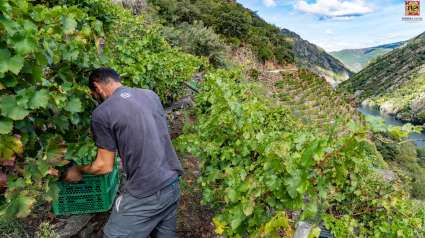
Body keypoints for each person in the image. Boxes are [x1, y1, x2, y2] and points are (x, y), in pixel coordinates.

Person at [63, 67, 184, 238]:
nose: (96, 100)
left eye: (93, 94)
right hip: (171, 184)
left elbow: (104, 167)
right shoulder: (150, 95)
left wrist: (78, 170)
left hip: (146, 193)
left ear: (97, 86)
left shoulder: (102, 113)